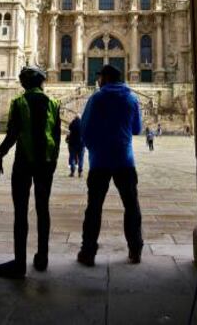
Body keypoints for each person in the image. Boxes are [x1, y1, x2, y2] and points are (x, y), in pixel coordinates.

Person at [0, 66, 61, 279]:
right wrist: (53, 162)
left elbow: (12, 136)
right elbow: (57, 137)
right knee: (43, 209)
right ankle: (42, 258)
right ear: (42, 82)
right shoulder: (53, 103)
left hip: (23, 163)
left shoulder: (19, 103)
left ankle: (19, 263)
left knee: (21, 212)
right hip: (46, 163)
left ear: (24, 84)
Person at [78, 64, 143, 267]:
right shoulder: (132, 98)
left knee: (94, 208)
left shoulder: (97, 98)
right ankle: (135, 249)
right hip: (125, 159)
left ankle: (88, 252)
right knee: (131, 206)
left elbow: (84, 128)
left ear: (104, 78)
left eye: (99, 78)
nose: (97, 81)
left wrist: (93, 148)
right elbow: (137, 129)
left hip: (100, 161)